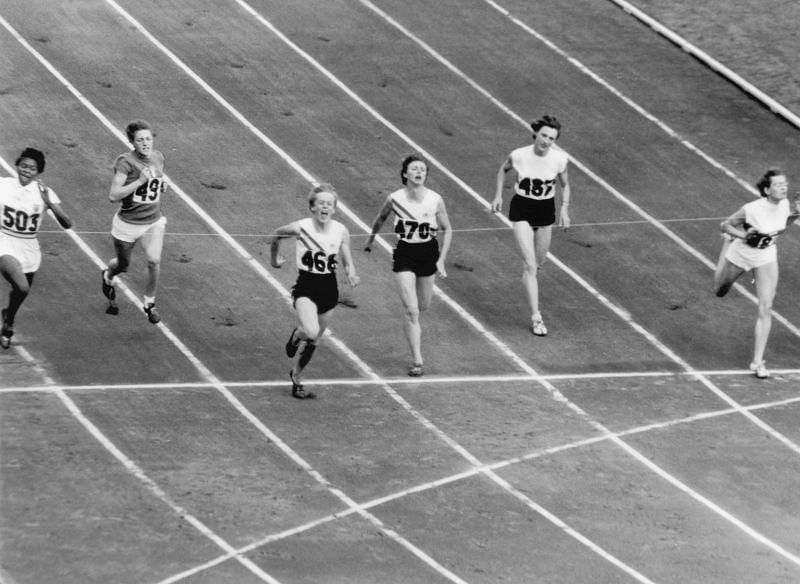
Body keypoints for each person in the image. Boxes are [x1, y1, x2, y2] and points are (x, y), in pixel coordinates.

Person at [364, 154, 452, 377]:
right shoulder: (395, 199)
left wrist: (441, 260)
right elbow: (380, 218)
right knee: (411, 311)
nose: (419, 172)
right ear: (405, 173)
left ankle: (412, 320)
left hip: (428, 252)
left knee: (423, 306)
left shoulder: (435, 199)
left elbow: (447, 229)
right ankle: (417, 360)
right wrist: (371, 239)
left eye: (422, 169)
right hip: (404, 253)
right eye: (414, 169)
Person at [270, 184, 359, 399]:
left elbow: (346, 254)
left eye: (329, 203)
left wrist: (351, 272)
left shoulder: (340, 230)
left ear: (334, 208)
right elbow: (277, 235)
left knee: (316, 340)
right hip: (306, 287)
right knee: (309, 331)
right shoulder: (300, 228)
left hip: (330, 289)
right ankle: (297, 334)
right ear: (312, 207)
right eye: (321, 203)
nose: (325, 206)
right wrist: (274, 260)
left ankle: (296, 377)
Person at [714, 168, 800, 379]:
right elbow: (725, 224)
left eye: (785, 184)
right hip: (741, 253)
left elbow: (782, 225)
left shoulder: (786, 206)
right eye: (778, 184)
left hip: (766, 256)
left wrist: (797, 214)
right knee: (719, 290)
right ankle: (727, 245)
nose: (784, 187)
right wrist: (742, 236)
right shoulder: (751, 209)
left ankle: (757, 362)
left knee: (766, 306)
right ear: (767, 189)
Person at [491, 115, 571, 336]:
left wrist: (564, 208)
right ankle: (537, 318)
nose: (546, 141)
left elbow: (565, 185)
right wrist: (498, 195)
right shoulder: (519, 155)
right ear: (535, 133)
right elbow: (503, 170)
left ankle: (529, 276)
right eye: (544, 135)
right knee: (530, 264)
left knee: (539, 264)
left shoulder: (560, 160)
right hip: (522, 209)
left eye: (551, 138)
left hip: (545, 210)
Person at [0, 147, 72, 349]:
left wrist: (50, 203)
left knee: (20, 291)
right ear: (17, 165)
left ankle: (8, 319)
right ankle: (9, 321)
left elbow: (67, 223)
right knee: (22, 286)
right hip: (4, 241)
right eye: (23, 166)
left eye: (32, 168)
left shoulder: (44, 193)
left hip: (29, 246)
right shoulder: (4, 184)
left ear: (38, 171)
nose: (26, 171)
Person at [101, 119, 168, 324]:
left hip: (152, 221)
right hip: (127, 224)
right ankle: (107, 275)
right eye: (140, 140)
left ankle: (149, 303)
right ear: (132, 142)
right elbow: (113, 195)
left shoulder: (158, 157)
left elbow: (156, 180)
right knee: (123, 265)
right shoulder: (125, 162)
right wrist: (140, 181)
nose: (146, 143)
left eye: (148, 138)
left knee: (154, 260)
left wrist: (161, 184)